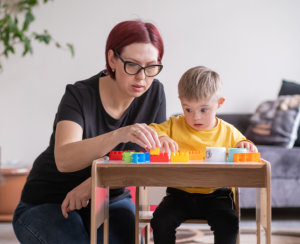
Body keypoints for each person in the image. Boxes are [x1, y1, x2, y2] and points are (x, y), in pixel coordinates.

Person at [13, 20, 166, 244]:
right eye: (132, 65)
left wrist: (94, 184)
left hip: (111, 198)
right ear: (113, 59)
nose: (142, 77)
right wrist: (119, 134)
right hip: (49, 200)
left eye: (151, 66)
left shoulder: (155, 93)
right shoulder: (79, 95)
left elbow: (145, 160)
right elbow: (64, 159)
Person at [149, 66, 257, 244]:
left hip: (216, 195)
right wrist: (161, 136)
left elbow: (244, 144)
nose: (195, 117)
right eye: (188, 109)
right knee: (160, 220)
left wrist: (244, 145)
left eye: (203, 110)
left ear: (219, 103)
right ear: (181, 102)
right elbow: (152, 130)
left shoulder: (228, 131)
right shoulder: (175, 124)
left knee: (229, 223)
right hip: (179, 194)